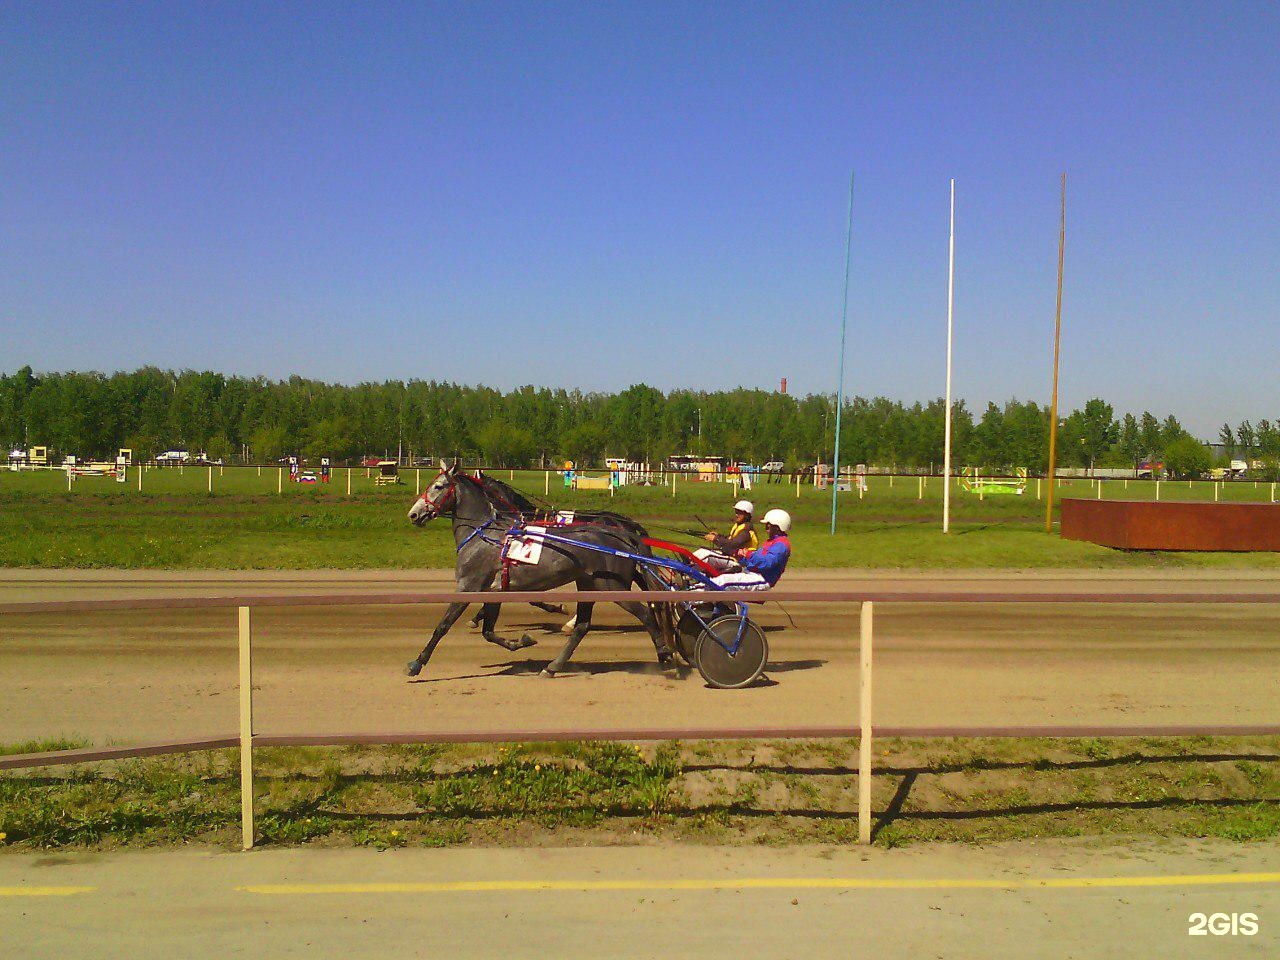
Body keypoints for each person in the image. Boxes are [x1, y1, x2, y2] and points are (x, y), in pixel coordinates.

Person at [711, 508, 791, 591]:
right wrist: (742, 558)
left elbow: (767, 563)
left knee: (723, 581)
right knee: (718, 576)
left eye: (769, 524)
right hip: (753, 574)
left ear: (779, 526)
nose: (767, 526)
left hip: (762, 579)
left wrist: (749, 555)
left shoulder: (781, 544)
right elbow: (757, 560)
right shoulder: (771, 541)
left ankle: (697, 596)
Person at [693, 500, 758, 572]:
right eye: (736, 512)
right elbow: (729, 539)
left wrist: (715, 539)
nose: (736, 514)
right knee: (702, 550)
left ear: (747, 514)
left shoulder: (746, 531)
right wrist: (718, 536)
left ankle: (690, 570)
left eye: (739, 513)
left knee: (707, 556)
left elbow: (733, 544)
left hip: (738, 562)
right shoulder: (739, 525)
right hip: (731, 557)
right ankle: (688, 562)